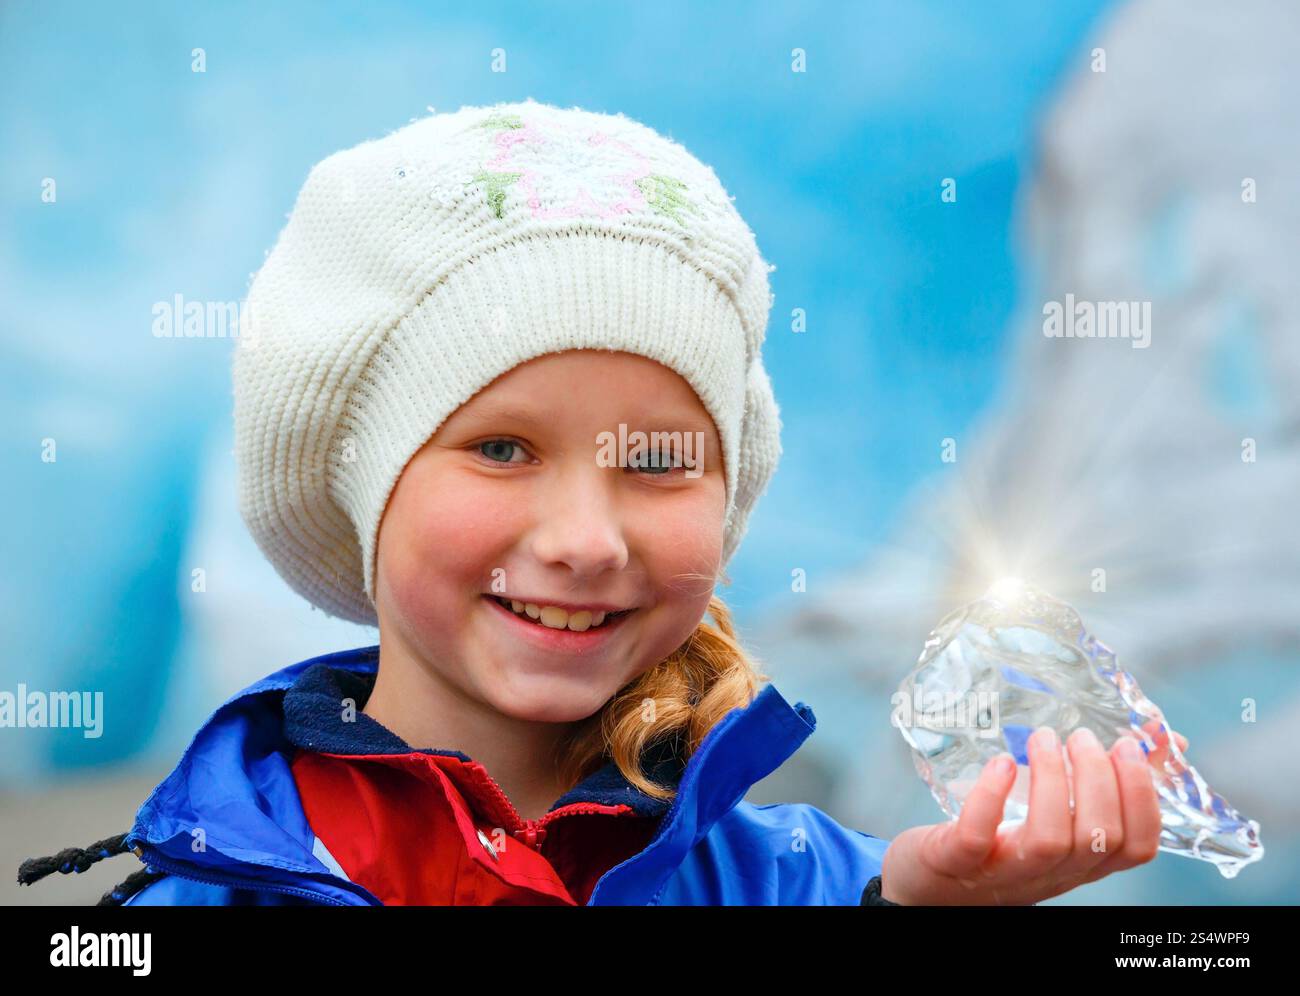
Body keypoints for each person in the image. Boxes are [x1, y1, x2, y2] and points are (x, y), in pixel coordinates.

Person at [17, 98, 1174, 906]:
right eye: (504, 448)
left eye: (659, 461)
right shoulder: (203, 893)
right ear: (363, 488)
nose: (585, 540)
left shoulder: (817, 888)